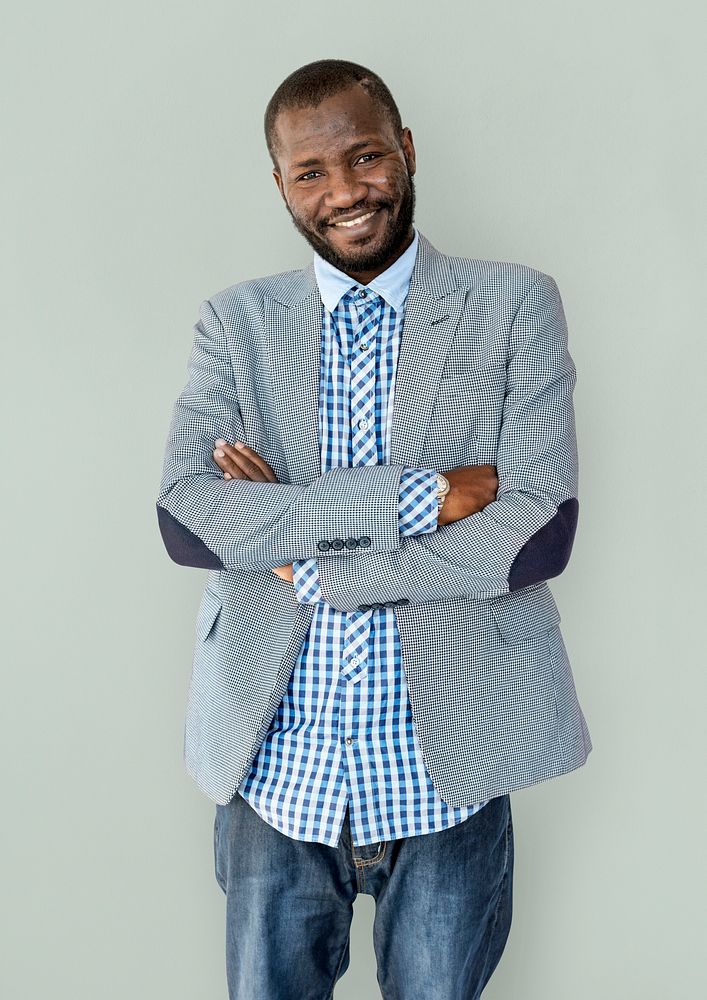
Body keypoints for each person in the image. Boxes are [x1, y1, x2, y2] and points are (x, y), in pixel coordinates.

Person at [156, 58, 592, 1000]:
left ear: (405, 151)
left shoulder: (513, 304)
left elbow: (538, 531)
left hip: (449, 768)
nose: (345, 191)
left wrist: (301, 557)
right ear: (280, 184)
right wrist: (416, 500)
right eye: (310, 172)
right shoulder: (234, 324)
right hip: (276, 771)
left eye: (364, 157)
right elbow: (187, 515)